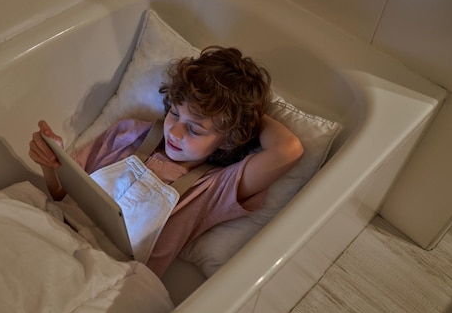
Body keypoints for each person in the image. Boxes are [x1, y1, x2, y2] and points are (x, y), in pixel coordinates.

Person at [29, 46, 303, 277]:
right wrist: (51, 162)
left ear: (227, 139)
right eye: (174, 113)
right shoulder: (128, 133)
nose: (175, 131)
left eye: (195, 129)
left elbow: (288, 150)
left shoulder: (213, 189)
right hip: (52, 233)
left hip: (107, 276)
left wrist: (238, 111)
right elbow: (60, 195)